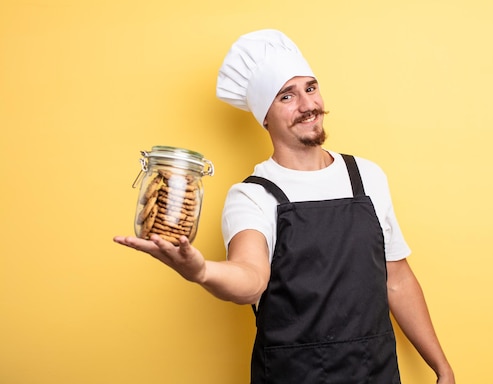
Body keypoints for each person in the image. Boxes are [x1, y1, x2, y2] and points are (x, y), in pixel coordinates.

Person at [114, 29, 455, 384]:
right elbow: (250, 278)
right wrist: (202, 271)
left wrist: (442, 368)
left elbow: (397, 279)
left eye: (310, 88)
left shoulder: (367, 176)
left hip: (375, 373)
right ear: (264, 116)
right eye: (286, 96)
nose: (308, 105)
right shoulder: (253, 195)